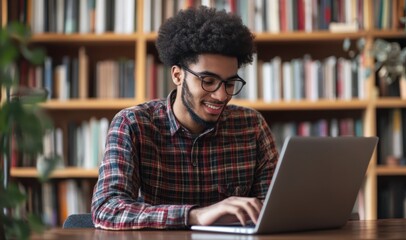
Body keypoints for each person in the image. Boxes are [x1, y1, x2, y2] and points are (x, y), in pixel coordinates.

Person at [91, 6, 279, 230]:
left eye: (229, 83)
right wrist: (195, 216)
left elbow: (274, 209)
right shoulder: (133, 124)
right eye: (208, 81)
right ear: (178, 75)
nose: (221, 95)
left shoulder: (252, 126)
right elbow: (107, 208)